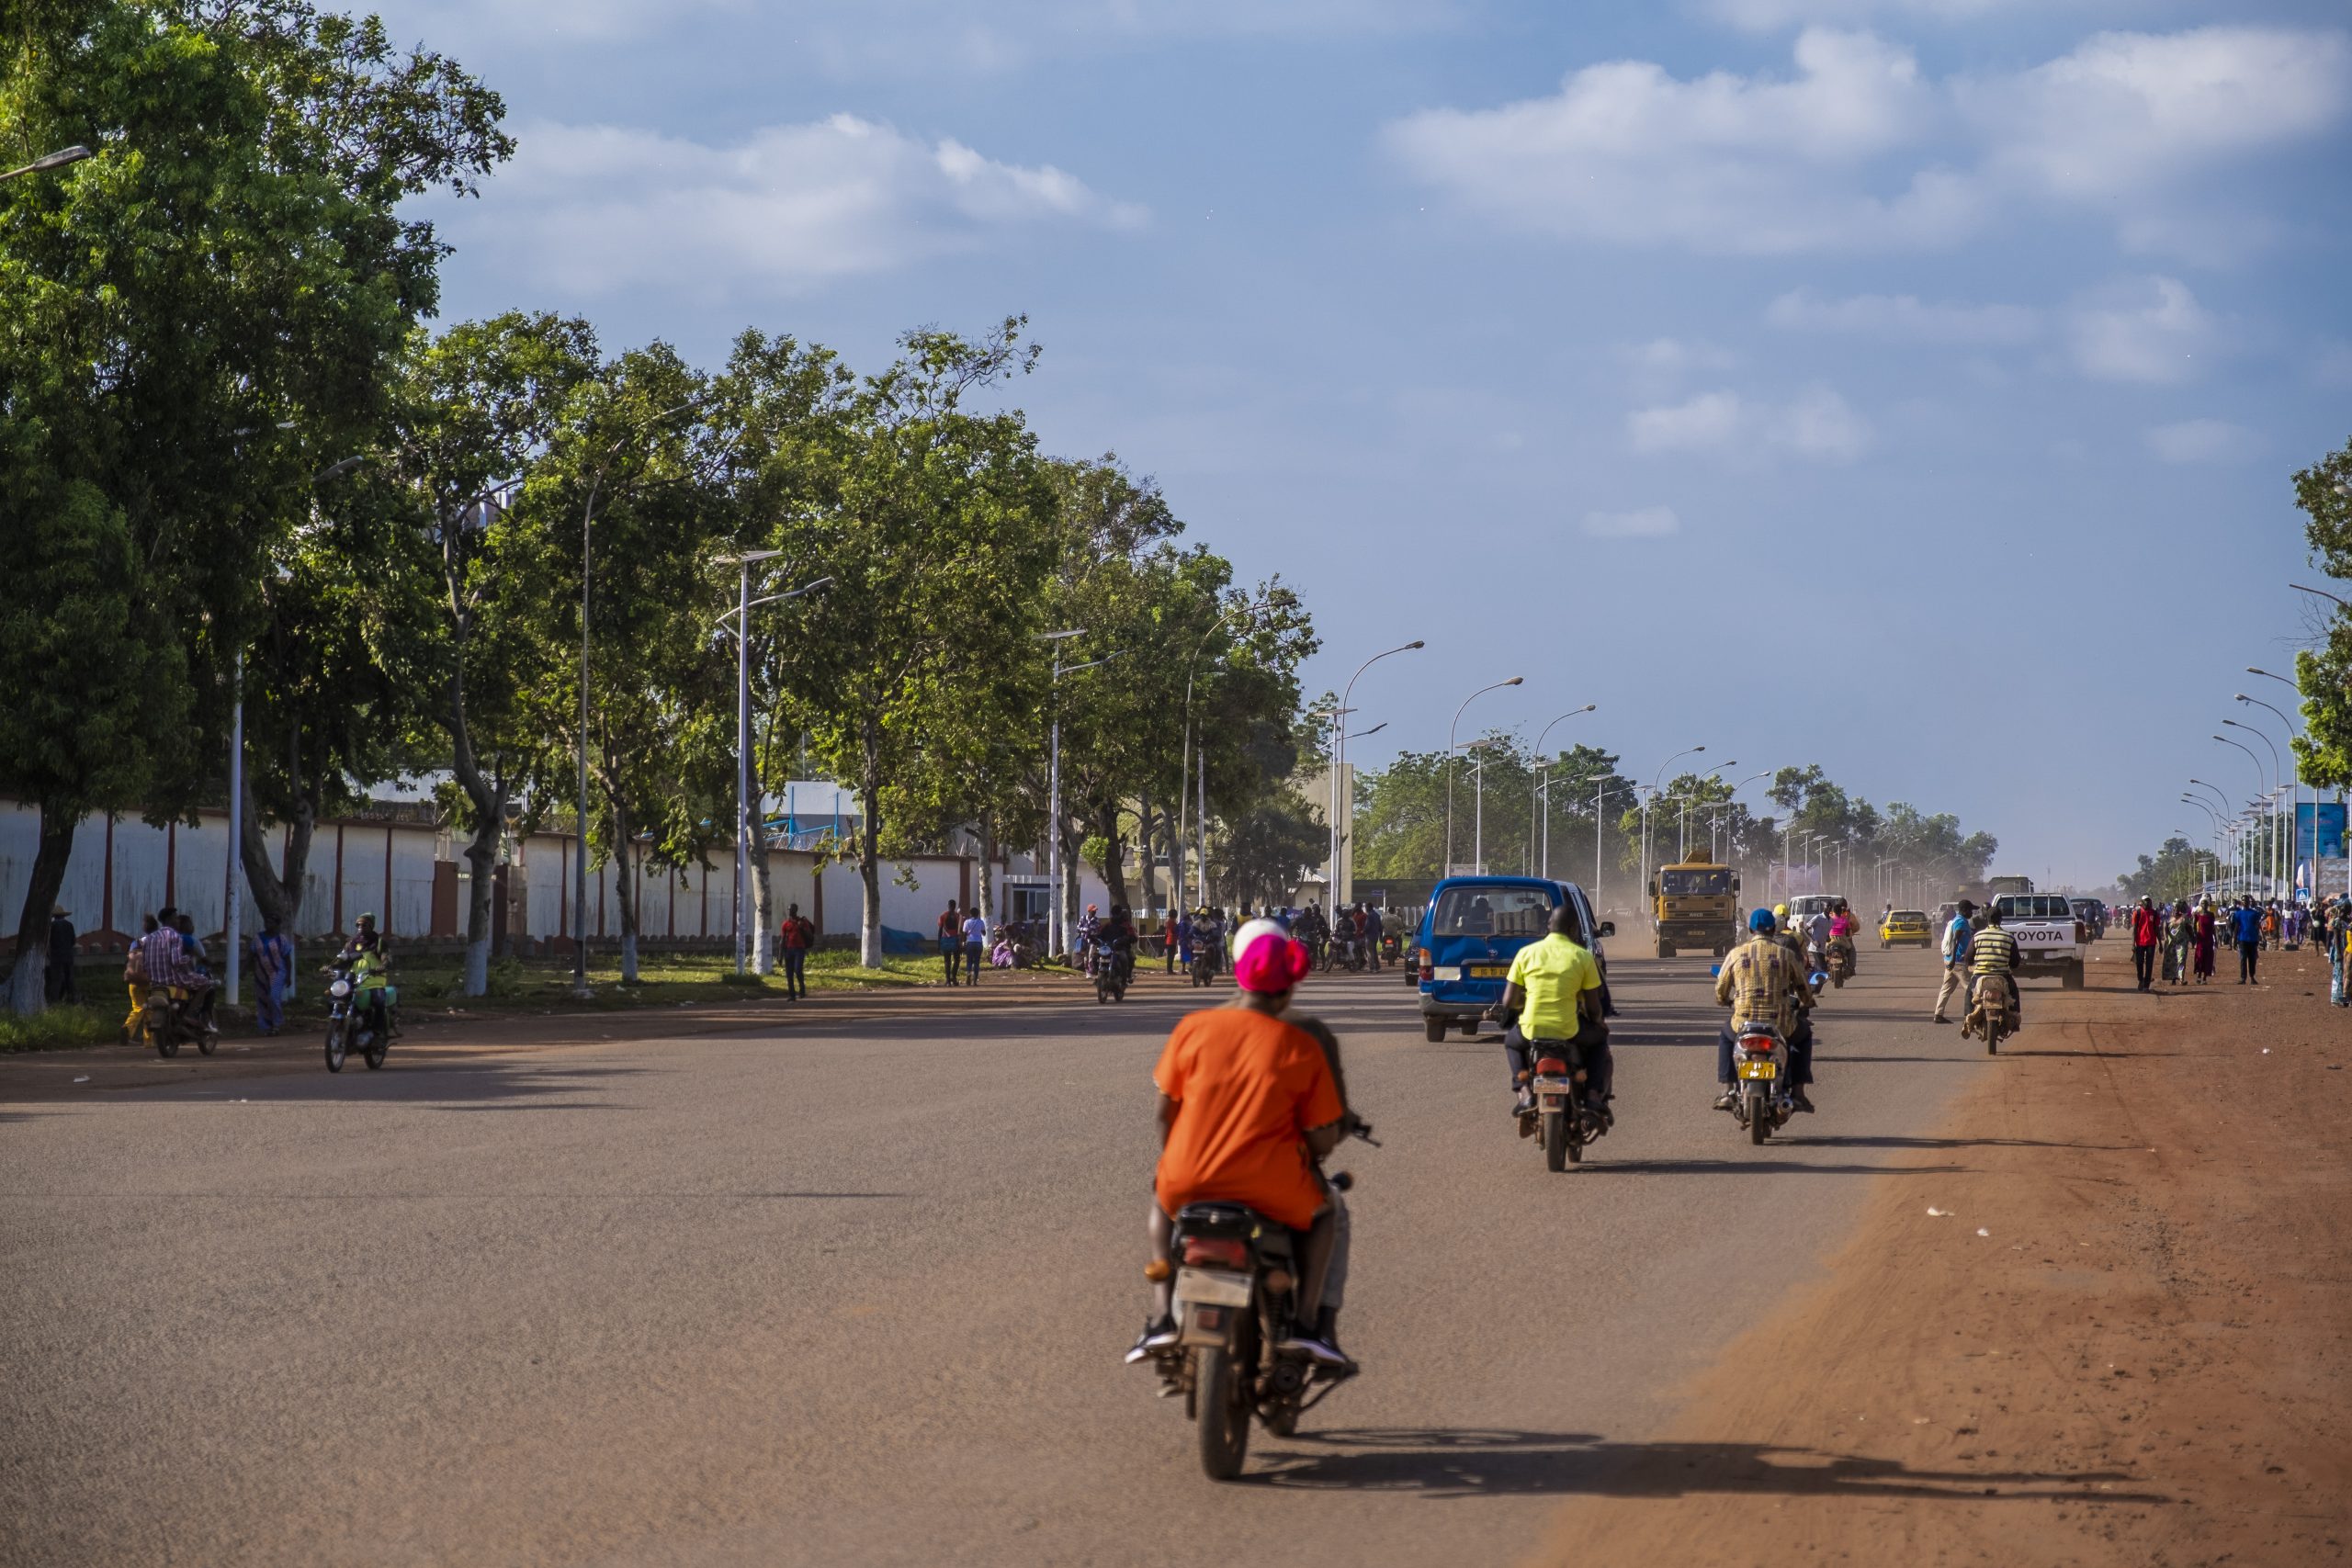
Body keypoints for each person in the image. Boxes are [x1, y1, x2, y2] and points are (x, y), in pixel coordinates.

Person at [1127, 919, 1354, 1371]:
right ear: (1288, 988)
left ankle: (1161, 1315)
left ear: (1237, 972)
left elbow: (1163, 1114)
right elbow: (1323, 1131)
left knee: (1159, 1198)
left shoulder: (1193, 1028)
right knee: (1330, 1212)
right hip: (1274, 1187)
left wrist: (1177, 1159)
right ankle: (1309, 1324)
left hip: (1189, 1181)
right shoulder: (1301, 1043)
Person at [1489, 902, 1610, 1128]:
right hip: (1569, 1030)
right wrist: (1599, 1023)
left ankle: (1524, 1091)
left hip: (1531, 1029)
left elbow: (1508, 1001)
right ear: (1573, 930)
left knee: (1511, 1043)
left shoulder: (1526, 953)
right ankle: (1593, 1094)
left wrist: (1523, 1004)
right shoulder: (1582, 957)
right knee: (1599, 1042)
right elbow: (1594, 1006)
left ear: (1548, 926)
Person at [1714, 907, 1815, 1113]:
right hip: (1780, 1024)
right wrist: (1807, 1001)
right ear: (1772, 930)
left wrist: (1724, 1000)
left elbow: (1721, 988)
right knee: (1804, 1036)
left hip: (1743, 1023)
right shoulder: (1786, 955)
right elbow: (1804, 987)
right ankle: (1798, 1091)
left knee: (1726, 1036)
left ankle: (1727, 1089)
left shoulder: (1736, 954)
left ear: (1751, 930)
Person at [336, 914, 391, 1043]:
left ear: (371, 926)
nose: (360, 927)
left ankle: (377, 1032)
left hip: (374, 981)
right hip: (353, 981)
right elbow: (342, 959)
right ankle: (341, 1025)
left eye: (364, 925)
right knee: (336, 997)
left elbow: (387, 959)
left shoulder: (379, 943)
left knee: (378, 1001)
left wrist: (382, 966)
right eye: (358, 925)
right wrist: (331, 967)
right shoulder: (352, 943)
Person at [1970, 902, 2020, 1032]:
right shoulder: (2009, 937)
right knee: (2014, 992)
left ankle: (1967, 1016)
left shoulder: (1977, 936)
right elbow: (2015, 962)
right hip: (2002, 977)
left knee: (1968, 993)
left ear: (1986, 918)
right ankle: (2015, 1018)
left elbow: (1967, 958)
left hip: (1980, 975)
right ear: (2001, 920)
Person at [1932, 899, 1976, 1023]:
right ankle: (1973, 1016)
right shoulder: (1961, 922)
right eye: (1970, 910)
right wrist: (1953, 960)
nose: (1972, 913)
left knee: (1946, 988)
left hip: (1951, 961)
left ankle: (1938, 1014)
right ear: (1964, 910)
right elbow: (1955, 940)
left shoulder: (1957, 920)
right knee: (1971, 988)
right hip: (1958, 962)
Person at [248, 915, 294, 1036]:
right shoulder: (257, 938)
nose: (268, 924)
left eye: (271, 922)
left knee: (273, 997)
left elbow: (287, 958)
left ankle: (277, 1024)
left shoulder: (281, 939)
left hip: (278, 972)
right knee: (262, 999)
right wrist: (243, 970)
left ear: (277, 924)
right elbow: (251, 955)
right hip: (261, 973)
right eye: (266, 922)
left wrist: (289, 976)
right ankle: (266, 1026)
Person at [121, 913, 161, 1043]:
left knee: (137, 1008)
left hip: (133, 981)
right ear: (157, 928)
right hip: (150, 981)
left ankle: (127, 1028)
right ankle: (148, 1041)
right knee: (150, 1010)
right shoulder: (158, 942)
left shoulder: (136, 942)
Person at [779, 904, 814, 998]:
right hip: (788, 950)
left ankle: (802, 988)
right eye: (789, 909)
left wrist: (802, 927)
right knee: (789, 974)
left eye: (793, 909)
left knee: (798, 970)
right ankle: (792, 995)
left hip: (799, 950)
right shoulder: (785, 924)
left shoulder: (802, 922)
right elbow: (782, 940)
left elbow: (810, 936)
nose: (791, 911)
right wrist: (780, 956)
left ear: (796, 910)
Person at [46, 904, 78, 1004]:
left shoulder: (52, 926)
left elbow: (48, 942)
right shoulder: (69, 925)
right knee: (69, 978)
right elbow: (73, 941)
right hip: (68, 955)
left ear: (54, 916)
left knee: (56, 979)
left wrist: (49, 954)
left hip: (56, 956)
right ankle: (73, 999)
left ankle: (53, 1001)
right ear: (63, 916)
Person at [2130, 897, 2161, 991]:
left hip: (2151, 942)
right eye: (2145, 901)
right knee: (2139, 962)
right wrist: (2133, 943)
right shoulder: (2137, 913)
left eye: (2149, 901)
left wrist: (2160, 943)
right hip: (2140, 942)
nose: (2147, 903)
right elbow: (2134, 929)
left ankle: (2146, 985)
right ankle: (2140, 980)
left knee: (2149, 964)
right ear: (2142, 902)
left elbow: (2156, 929)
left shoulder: (2154, 914)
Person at [2231, 897, 2262, 984]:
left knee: (2252, 959)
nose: (2246, 902)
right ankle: (2243, 978)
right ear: (2241, 902)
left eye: (2247, 901)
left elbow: (2258, 924)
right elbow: (2237, 927)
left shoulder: (2255, 913)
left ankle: (2252, 977)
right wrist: (2234, 939)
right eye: (2244, 901)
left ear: (2249, 902)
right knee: (2243, 959)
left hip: (2253, 939)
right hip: (2242, 939)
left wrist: (2260, 936)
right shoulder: (2238, 914)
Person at [937, 901, 963, 986]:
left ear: (948, 906)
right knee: (957, 960)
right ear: (955, 906)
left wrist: (939, 942)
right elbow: (960, 930)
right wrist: (961, 942)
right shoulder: (958, 916)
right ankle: (954, 977)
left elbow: (940, 930)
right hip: (955, 940)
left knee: (947, 961)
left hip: (945, 940)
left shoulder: (943, 916)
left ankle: (948, 981)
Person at [961, 908, 988, 985]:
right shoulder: (981, 922)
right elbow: (984, 933)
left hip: (970, 943)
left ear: (970, 914)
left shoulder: (967, 922)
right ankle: (975, 981)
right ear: (978, 914)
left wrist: (963, 942)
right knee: (977, 962)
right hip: (978, 943)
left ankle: (968, 974)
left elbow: (964, 933)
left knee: (969, 961)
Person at [2192, 900, 2217, 983]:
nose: (2204, 905)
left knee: (2208, 958)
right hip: (2201, 939)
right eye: (2203, 903)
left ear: (2208, 905)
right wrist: (2195, 935)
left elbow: (2213, 928)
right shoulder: (2198, 915)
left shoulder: (2211, 915)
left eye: (2206, 903)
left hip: (2209, 939)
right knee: (2200, 957)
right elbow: (2194, 926)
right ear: (2200, 905)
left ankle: (2205, 977)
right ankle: (2199, 975)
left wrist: (2216, 939)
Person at [1363, 904, 1385, 972]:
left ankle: (1372, 968)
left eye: (1365, 908)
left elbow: (1367, 926)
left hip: (1369, 936)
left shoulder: (1369, 916)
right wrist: (1380, 937)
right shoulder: (1377, 915)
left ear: (1368, 908)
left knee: (1369, 952)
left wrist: (1363, 931)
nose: (1365, 909)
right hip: (1375, 936)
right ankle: (1377, 967)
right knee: (1374, 952)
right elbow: (1381, 927)